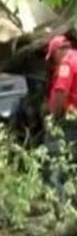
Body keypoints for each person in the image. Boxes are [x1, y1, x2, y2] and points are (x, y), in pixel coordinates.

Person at [44, 35, 77, 203]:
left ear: (57, 51)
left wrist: (52, 117)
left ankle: (57, 204)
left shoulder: (66, 64)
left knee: (54, 157)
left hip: (71, 120)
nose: (53, 64)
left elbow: (60, 91)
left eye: (52, 59)